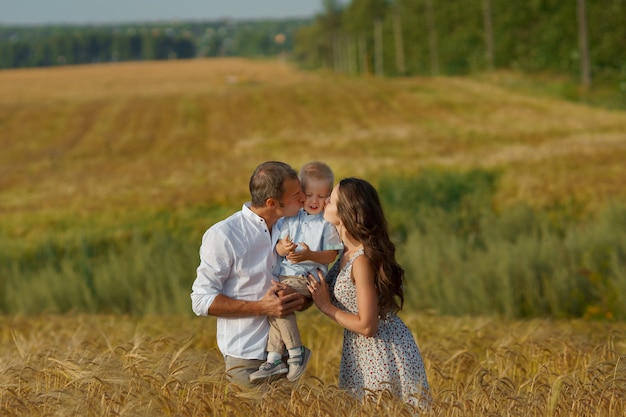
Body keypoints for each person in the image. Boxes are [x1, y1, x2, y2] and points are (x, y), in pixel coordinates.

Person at [306, 177, 431, 411]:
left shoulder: (361, 261)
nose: (324, 204)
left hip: (381, 351)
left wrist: (326, 307)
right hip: (361, 351)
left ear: (345, 214)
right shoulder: (343, 253)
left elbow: (367, 326)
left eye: (330, 201)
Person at [190, 161, 309, 388]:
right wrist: (263, 307)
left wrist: (299, 298)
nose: (304, 198)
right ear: (272, 203)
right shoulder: (224, 235)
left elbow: (302, 294)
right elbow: (200, 301)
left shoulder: (293, 228)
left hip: (287, 357)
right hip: (246, 360)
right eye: (296, 194)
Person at [250, 161, 343, 383]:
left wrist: (309, 256)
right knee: (275, 306)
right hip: (285, 275)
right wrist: (284, 248)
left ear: (329, 197)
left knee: (280, 300)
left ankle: (296, 351)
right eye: (309, 194)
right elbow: (279, 246)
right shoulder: (291, 217)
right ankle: (273, 358)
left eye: (321, 196)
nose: (314, 201)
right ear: (301, 193)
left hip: (308, 279)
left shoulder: (326, 224)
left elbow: (331, 255)